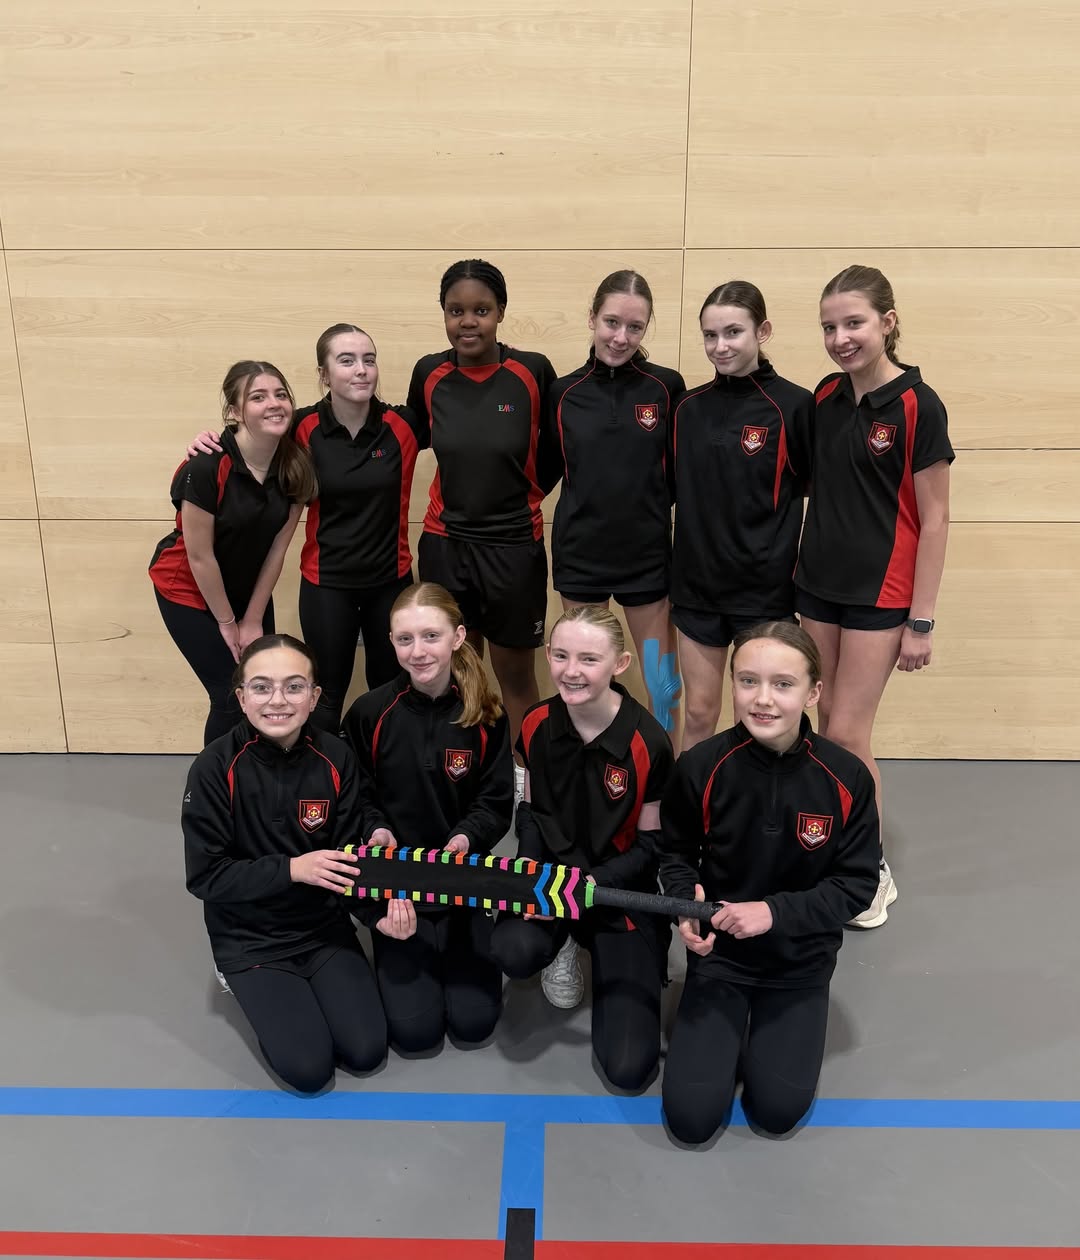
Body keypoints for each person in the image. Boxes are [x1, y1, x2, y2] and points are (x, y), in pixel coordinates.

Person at [658, 622, 879, 1143]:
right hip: (721, 961)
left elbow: (856, 885)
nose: (763, 699)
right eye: (748, 681)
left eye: (783, 684)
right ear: (732, 684)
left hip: (799, 965)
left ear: (813, 692)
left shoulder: (846, 778)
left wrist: (774, 912)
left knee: (776, 1111)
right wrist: (683, 905)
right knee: (692, 1120)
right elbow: (674, 854)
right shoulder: (700, 767)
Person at [183, 634, 415, 1093]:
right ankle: (232, 973)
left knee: (366, 1051)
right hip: (251, 941)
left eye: (293, 686)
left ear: (314, 697)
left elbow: (348, 859)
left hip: (323, 930)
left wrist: (378, 918)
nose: (277, 700)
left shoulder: (335, 756)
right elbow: (206, 876)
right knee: (310, 1071)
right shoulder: (213, 769)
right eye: (261, 687)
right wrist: (292, 868)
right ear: (241, 697)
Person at [796, 265, 953, 927]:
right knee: (817, 723)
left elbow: (937, 517)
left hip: (880, 596)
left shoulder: (919, 405)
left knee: (846, 732)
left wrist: (920, 620)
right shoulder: (827, 395)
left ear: (887, 321)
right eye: (830, 326)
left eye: (854, 322)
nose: (841, 337)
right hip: (816, 589)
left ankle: (869, 866)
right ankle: (823, 845)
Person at [185, 325, 427, 730]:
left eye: (369, 360)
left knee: (392, 691)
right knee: (325, 696)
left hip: (391, 583)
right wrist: (206, 440)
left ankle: (384, 783)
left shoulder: (404, 426)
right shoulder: (299, 427)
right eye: (346, 360)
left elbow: (467, 434)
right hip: (326, 584)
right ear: (324, 374)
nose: (361, 370)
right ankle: (328, 784)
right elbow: (247, 434)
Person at [489, 606, 675, 1091]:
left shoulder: (649, 742)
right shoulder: (532, 724)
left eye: (589, 659)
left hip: (614, 890)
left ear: (620, 665)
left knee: (630, 1067)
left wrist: (589, 887)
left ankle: (598, 938)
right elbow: (528, 811)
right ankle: (564, 943)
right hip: (552, 882)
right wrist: (532, 870)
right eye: (561, 655)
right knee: (512, 948)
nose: (572, 671)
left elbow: (652, 846)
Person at [407, 259, 559, 795]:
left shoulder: (532, 372)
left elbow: (556, 451)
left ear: (501, 314)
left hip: (514, 548)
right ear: (444, 315)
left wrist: (527, 494)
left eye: (481, 311)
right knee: (451, 674)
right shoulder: (430, 373)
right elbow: (404, 433)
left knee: (515, 676)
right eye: (456, 311)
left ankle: (525, 783)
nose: (467, 322)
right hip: (447, 545)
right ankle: (457, 779)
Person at [341, 582, 514, 1053]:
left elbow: (495, 803)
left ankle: (468, 932)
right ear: (391, 642)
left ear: (458, 637)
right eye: (404, 639)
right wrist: (375, 828)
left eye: (431, 636)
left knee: (473, 1024)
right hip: (396, 889)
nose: (418, 652)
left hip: (462, 884)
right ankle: (394, 937)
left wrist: (464, 840)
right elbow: (356, 794)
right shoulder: (369, 713)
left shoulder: (487, 714)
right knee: (415, 1033)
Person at [669, 282, 813, 752]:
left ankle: (753, 817)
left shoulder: (794, 406)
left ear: (762, 331)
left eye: (733, 332)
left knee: (759, 721)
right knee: (698, 712)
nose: (720, 346)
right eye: (710, 335)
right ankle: (686, 817)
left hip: (764, 596)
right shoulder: (686, 408)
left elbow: (811, 486)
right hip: (697, 592)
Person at [548, 270, 685, 736]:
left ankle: (663, 788)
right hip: (581, 557)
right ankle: (588, 774)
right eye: (611, 322)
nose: (621, 337)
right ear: (592, 318)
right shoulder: (562, 392)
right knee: (581, 677)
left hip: (646, 561)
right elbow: (548, 469)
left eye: (635, 327)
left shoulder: (665, 387)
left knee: (662, 686)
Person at [151, 361, 316, 745]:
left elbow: (278, 548)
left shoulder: (295, 464)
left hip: (247, 591)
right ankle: (216, 794)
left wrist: (254, 617)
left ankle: (261, 781)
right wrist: (228, 623)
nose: (274, 404)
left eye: (280, 394)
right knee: (229, 698)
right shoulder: (206, 465)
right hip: (189, 592)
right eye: (257, 397)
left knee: (266, 688)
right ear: (234, 412)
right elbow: (200, 557)